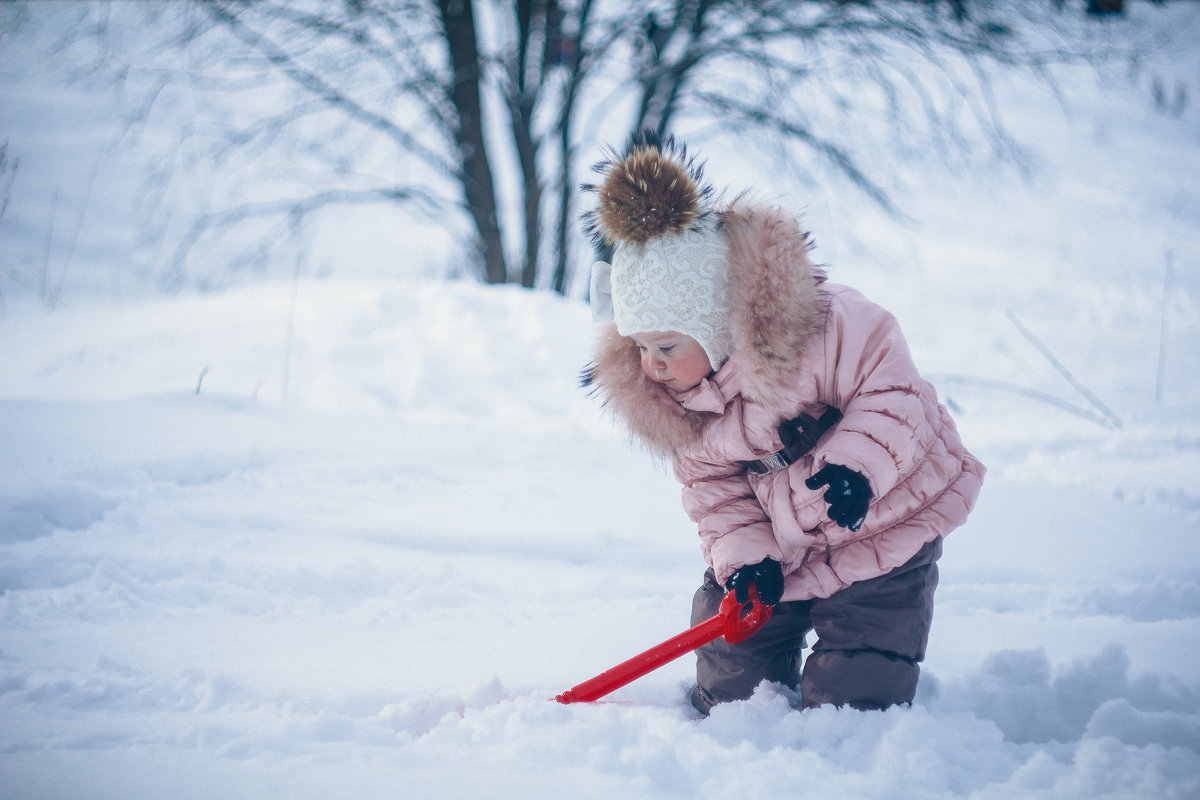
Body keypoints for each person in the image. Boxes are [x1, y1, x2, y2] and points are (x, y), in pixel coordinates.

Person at [581, 130, 985, 714]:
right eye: (640, 346)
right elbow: (716, 498)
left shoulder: (828, 330)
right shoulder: (681, 411)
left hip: (883, 523)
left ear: (717, 324)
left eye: (667, 343)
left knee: (854, 686)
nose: (653, 364)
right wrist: (748, 560)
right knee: (732, 680)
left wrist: (858, 469)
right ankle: (734, 727)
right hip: (783, 545)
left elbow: (895, 394)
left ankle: (849, 749)